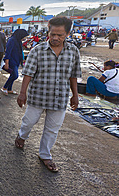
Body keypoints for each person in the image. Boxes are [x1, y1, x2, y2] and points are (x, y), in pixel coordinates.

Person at [15, 16, 81, 173]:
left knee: (52, 128)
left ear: (68, 33)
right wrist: (22, 93)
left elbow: (73, 75)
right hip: (38, 96)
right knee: (29, 121)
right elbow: (28, 74)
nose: (55, 38)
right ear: (48, 32)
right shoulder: (37, 50)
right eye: (53, 34)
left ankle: (45, 155)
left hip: (60, 98)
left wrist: (75, 95)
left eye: (60, 35)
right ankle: (22, 136)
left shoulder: (73, 51)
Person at [0, 29, 28, 95]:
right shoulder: (11, 40)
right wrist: (6, 63)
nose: (24, 38)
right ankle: (4, 87)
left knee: (12, 75)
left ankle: (9, 89)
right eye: (24, 36)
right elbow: (8, 52)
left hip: (17, 60)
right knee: (15, 75)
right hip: (12, 61)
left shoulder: (18, 41)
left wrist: (22, 60)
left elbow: (20, 51)